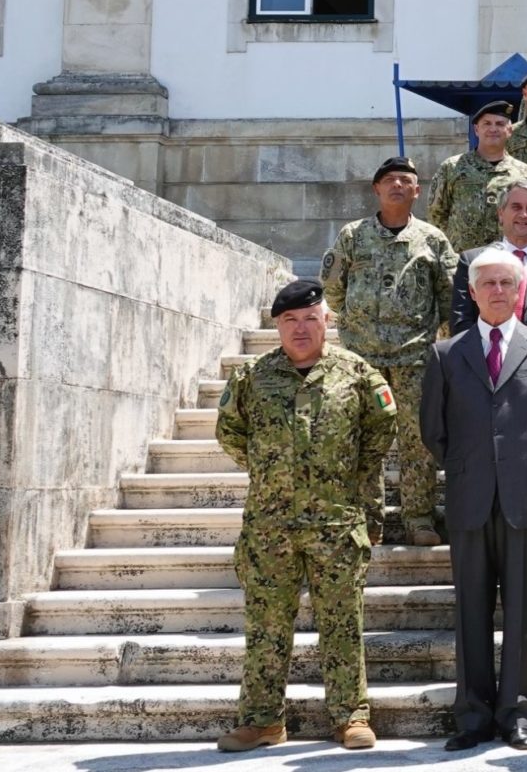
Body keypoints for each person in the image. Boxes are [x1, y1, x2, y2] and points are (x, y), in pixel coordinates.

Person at [215, 279, 393, 752]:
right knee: (266, 626)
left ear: (326, 322)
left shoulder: (357, 374)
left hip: (336, 524)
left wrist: (339, 478)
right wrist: (275, 470)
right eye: (290, 320)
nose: (300, 328)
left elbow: (379, 432)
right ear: (276, 325)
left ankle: (349, 718)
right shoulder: (253, 377)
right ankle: (261, 721)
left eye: (310, 318)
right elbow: (231, 433)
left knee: (342, 624)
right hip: (270, 527)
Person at [419, 249, 527, 752]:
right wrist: (473, 465)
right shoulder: (447, 353)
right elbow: (434, 430)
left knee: (522, 609)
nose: (496, 291)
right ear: (471, 292)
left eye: (505, 283)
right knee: (470, 609)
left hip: (525, 496)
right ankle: (471, 715)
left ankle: (517, 713)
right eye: (486, 283)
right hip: (470, 495)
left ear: (520, 292)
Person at [320, 156, 459, 547]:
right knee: (366, 439)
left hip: (415, 357)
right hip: (363, 358)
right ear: (376, 189)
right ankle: (368, 519)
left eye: (406, 180)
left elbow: (447, 295)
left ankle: (419, 517)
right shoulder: (353, 235)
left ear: (417, 191)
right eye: (389, 180)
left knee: (418, 440)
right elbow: (333, 286)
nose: (397, 185)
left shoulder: (432, 239)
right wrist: (354, 320)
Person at [450, 181, 527, 332]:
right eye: (516, 207)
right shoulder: (472, 261)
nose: (523, 215)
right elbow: (460, 320)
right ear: (501, 213)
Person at [428, 101, 527, 253]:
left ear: (510, 130)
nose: (493, 129)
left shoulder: (525, 174)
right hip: (462, 262)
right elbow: (436, 214)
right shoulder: (452, 167)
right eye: (487, 123)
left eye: (499, 124)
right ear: (476, 129)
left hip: (507, 263)